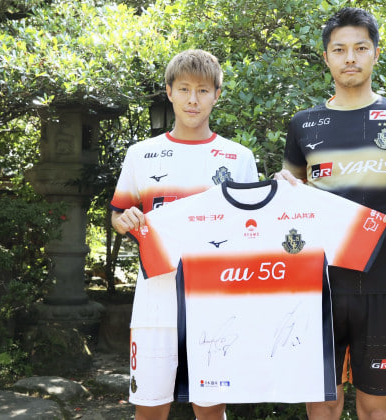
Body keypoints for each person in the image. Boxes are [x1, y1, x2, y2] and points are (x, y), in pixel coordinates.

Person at [274, 7, 386, 420]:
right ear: (326, 57)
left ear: (375, 53)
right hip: (318, 284)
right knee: (324, 403)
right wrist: (283, 188)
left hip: (383, 282)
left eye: (360, 48)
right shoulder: (303, 124)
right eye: (339, 50)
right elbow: (288, 197)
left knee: (376, 407)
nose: (350, 58)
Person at [110, 49, 259, 420]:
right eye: (184, 89)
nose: (193, 99)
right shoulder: (141, 154)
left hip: (216, 304)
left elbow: (252, 230)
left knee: (210, 410)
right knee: (149, 409)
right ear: (169, 91)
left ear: (217, 95)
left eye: (203, 90)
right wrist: (124, 219)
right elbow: (118, 213)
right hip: (155, 303)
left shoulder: (238, 157)